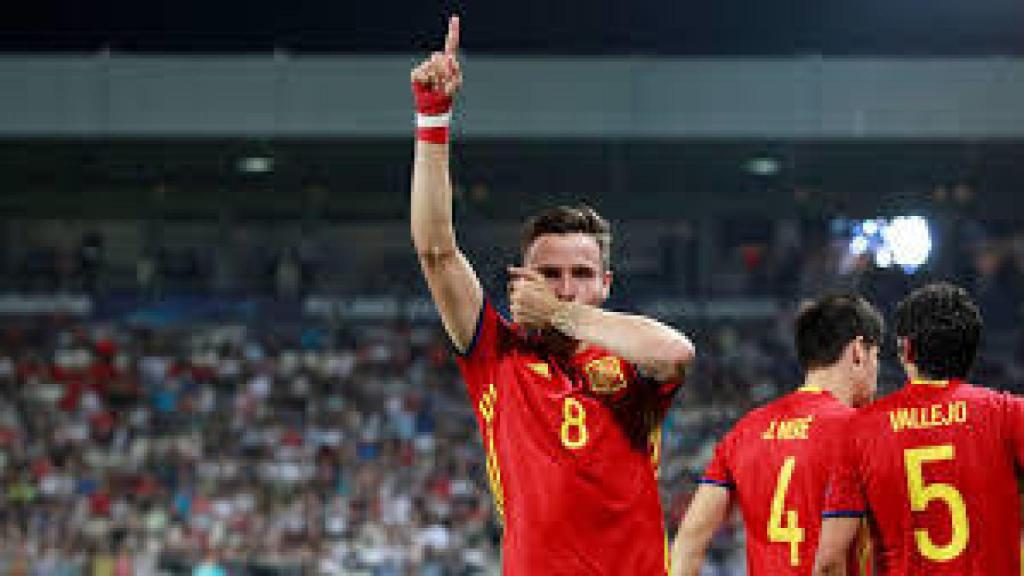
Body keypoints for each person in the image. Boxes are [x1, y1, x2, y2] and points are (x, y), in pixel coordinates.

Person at [409, 16, 696, 575]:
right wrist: (432, 117)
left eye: (583, 274)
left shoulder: (632, 357)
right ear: (521, 279)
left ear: (606, 284)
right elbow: (436, 251)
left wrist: (563, 314)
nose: (567, 286)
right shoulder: (495, 351)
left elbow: (679, 353)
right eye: (551, 273)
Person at [814, 282, 1024, 575]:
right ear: (971, 350)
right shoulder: (1010, 414)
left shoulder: (860, 430)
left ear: (907, 350)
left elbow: (828, 562)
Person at [671, 294, 882, 576]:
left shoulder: (745, 431)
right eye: (877, 355)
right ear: (858, 351)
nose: (877, 369)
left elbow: (689, 541)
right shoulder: (863, 431)